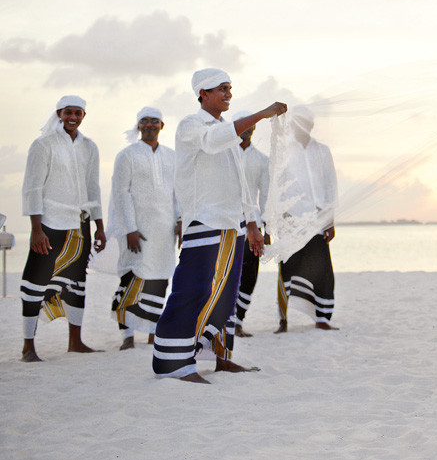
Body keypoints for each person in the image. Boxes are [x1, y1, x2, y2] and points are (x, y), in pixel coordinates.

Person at [151, 68, 287, 383]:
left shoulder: (228, 128)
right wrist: (263, 114)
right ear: (203, 94)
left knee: (226, 292)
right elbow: (212, 143)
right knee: (194, 289)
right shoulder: (191, 125)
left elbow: (242, 183)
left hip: (233, 225)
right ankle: (172, 364)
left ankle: (222, 358)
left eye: (229, 88)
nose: (227, 94)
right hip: (203, 219)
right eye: (221, 89)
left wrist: (252, 224)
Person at [20, 95, 107, 362]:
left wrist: (99, 227)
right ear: (59, 113)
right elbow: (32, 187)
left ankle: (75, 342)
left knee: (77, 283)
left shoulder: (89, 146)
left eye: (78, 113)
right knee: (35, 282)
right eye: (68, 112)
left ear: (83, 116)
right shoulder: (43, 144)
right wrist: (36, 228)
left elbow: (93, 187)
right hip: (50, 224)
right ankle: (28, 347)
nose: (73, 117)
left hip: (80, 226)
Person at [107, 107, 179, 350]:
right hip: (135, 231)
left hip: (164, 230)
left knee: (159, 281)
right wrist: (129, 228)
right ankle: (127, 337)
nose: (149, 125)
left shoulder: (172, 156)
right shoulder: (126, 155)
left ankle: (151, 334)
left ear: (162, 125)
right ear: (138, 126)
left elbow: (178, 191)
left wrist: (179, 221)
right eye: (144, 121)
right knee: (131, 280)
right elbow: (121, 193)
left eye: (154, 121)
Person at [275, 107, 339, 333]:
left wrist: (330, 220)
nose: (302, 126)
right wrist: (278, 220)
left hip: (318, 219)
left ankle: (322, 318)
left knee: (322, 269)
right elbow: (276, 187)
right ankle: (283, 319)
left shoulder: (322, 150)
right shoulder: (283, 151)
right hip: (291, 219)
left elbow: (331, 185)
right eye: (298, 122)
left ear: (311, 125)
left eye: (306, 122)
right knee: (287, 269)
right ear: (292, 125)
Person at [233, 112, 270, 338]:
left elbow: (265, 196)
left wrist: (267, 228)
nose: (247, 129)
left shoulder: (262, 160)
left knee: (249, 274)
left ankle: (238, 322)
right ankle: (223, 320)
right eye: (243, 125)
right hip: (226, 220)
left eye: (251, 126)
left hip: (253, 225)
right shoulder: (225, 154)